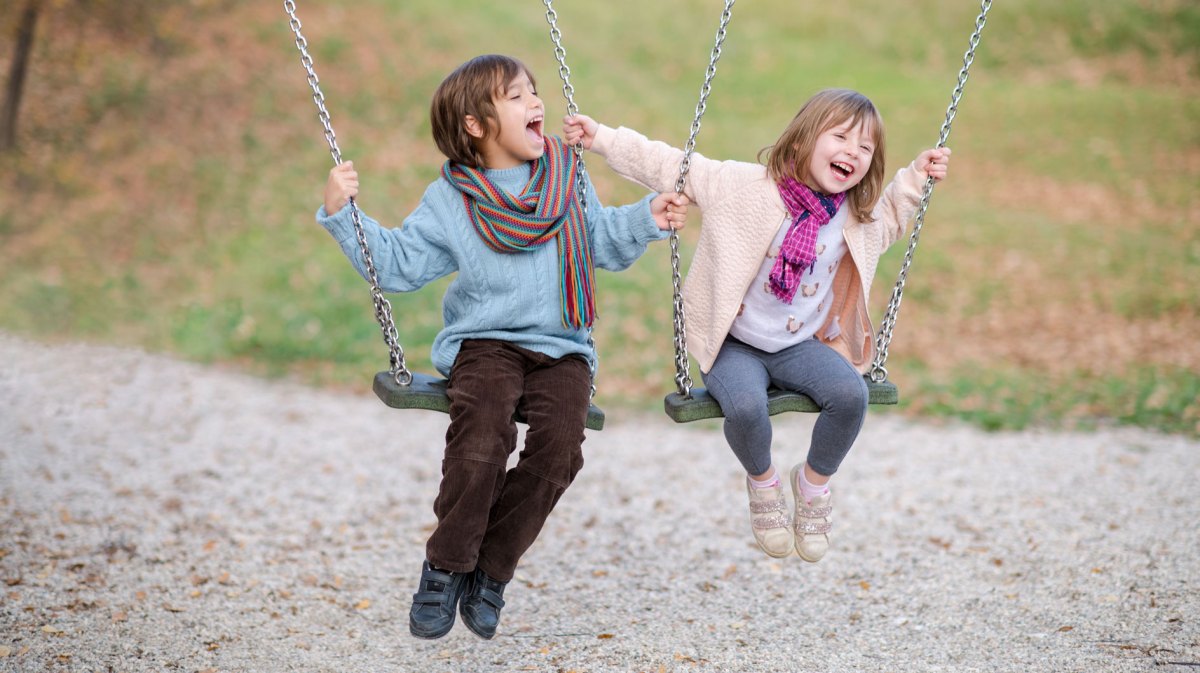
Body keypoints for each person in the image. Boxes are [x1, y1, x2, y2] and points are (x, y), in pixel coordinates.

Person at [317, 54, 688, 640]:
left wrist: (647, 217)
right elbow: (398, 264)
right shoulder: (452, 200)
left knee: (561, 449)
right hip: (485, 344)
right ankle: (445, 566)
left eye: (533, 92)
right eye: (516, 97)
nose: (535, 103)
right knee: (482, 437)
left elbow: (601, 242)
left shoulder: (567, 177)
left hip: (563, 344)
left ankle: (491, 568)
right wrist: (344, 215)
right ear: (475, 124)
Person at [563, 88, 949, 562]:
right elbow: (674, 165)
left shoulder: (853, 217)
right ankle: (764, 484)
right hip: (734, 345)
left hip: (796, 345)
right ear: (804, 139)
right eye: (842, 136)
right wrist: (601, 137)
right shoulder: (743, 186)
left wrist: (916, 175)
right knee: (746, 409)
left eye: (866, 147)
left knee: (851, 396)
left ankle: (812, 487)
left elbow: (890, 217)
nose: (853, 151)